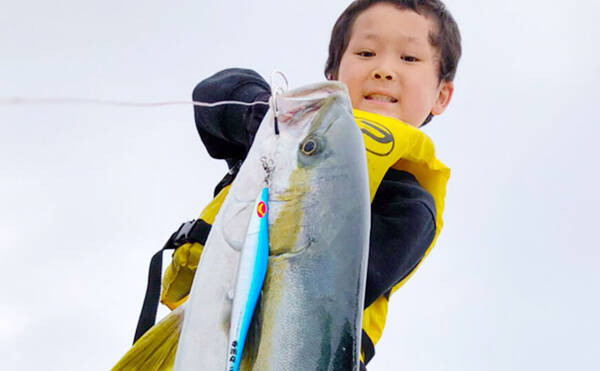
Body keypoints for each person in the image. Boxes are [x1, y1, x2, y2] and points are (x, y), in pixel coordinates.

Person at [160, 0, 461, 368]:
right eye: (366, 52)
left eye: (409, 59)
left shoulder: (410, 203)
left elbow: (330, 288)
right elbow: (214, 94)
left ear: (442, 94)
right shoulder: (284, 139)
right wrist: (264, 121)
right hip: (201, 329)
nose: (384, 70)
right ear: (333, 74)